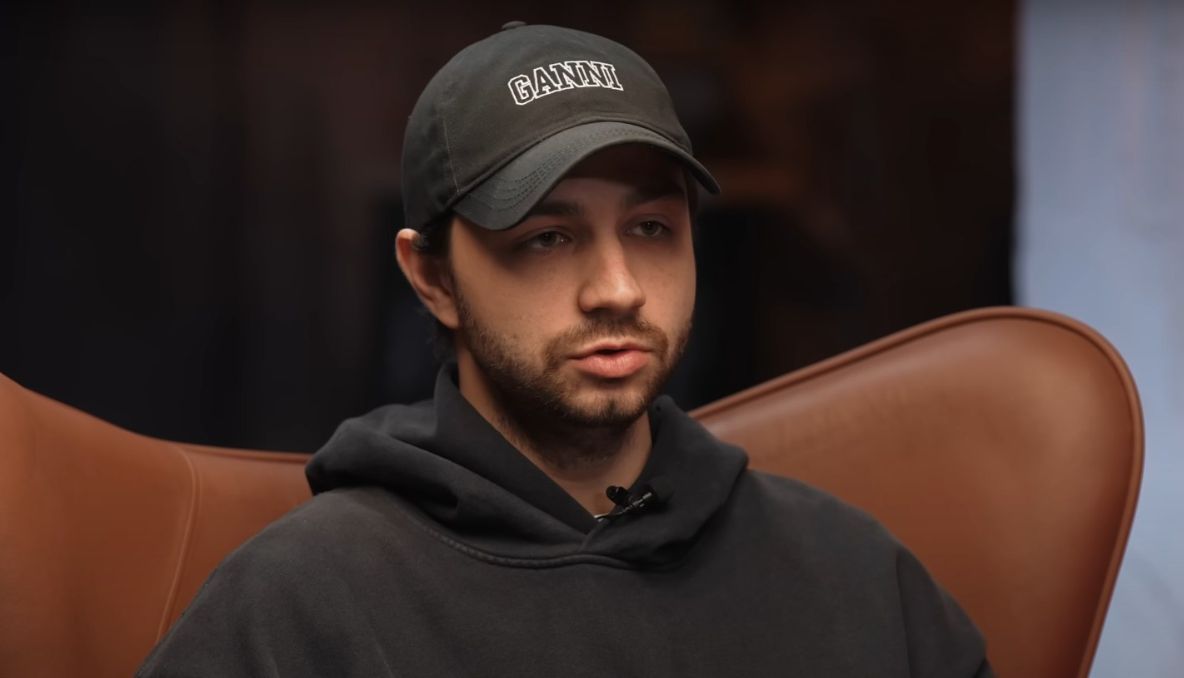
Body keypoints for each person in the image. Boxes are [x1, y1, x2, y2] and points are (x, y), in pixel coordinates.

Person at [138, 22, 991, 677]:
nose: (617, 288)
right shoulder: (300, 605)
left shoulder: (853, 575)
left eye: (651, 228)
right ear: (432, 276)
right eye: (547, 237)